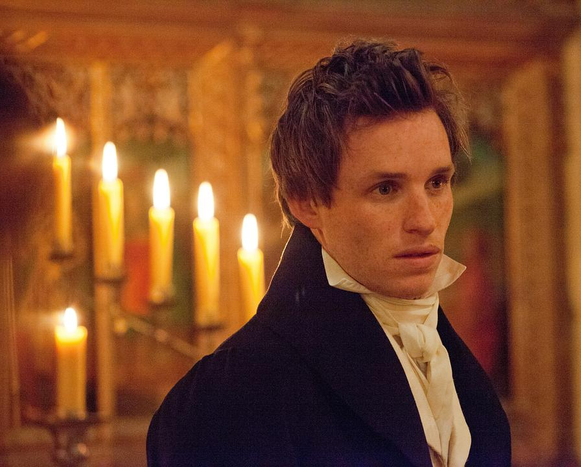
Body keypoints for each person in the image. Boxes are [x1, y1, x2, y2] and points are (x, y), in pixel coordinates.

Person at [147, 39, 511, 466]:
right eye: (386, 189)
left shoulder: (470, 387)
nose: (425, 220)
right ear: (307, 202)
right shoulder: (227, 398)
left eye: (436, 183)